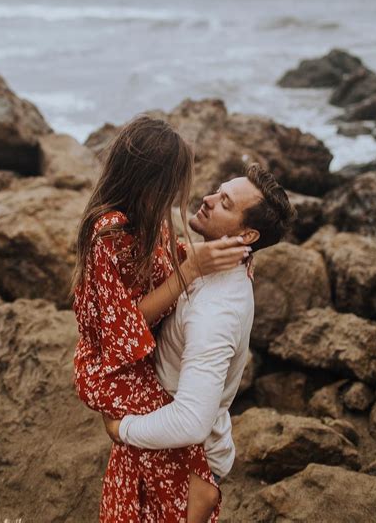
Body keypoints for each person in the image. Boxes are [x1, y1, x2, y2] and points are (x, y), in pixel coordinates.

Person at [72, 115, 249, 523]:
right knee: (190, 470)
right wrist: (190, 272)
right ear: (149, 182)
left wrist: (225, 260)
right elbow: (121, 331)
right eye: (172, 184)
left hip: (136, 360)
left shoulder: (152, 217)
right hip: (111, 365)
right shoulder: (109, 232)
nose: (179, 194)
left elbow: (160, 263)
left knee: (147, 464)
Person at [102, 164, 297, 500]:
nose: (206, 200)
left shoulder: (215, 314)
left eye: (225, 203)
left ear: (247, 236)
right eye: (217, 191)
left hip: (191, 462)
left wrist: (122, 429)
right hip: (171, 442)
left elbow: (191, 421)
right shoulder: (221, 263)